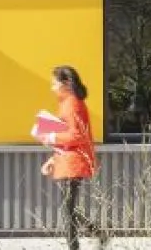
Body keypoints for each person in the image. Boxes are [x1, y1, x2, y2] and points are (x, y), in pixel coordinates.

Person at [36, 64, 103, 250]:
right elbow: (68, 136)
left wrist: (50, 136)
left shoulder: (72, 104)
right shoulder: (68, 103)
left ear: (66, 83)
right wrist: (52, 159)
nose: (52, 87)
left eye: (54, 83)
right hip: (68, 160)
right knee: (69, 208)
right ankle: (97, 233)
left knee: (68, 210)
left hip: (74, 162)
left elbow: (77, 135)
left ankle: (76, 246)